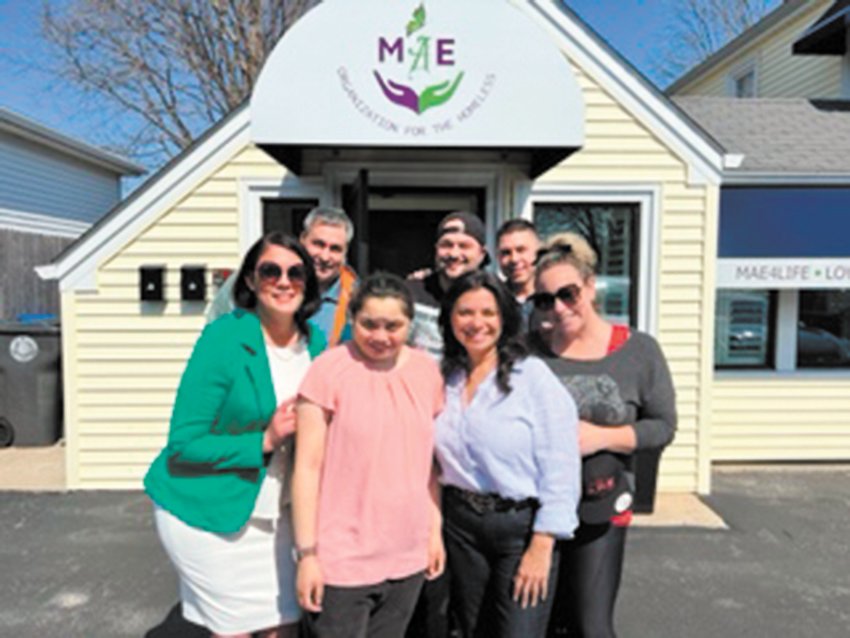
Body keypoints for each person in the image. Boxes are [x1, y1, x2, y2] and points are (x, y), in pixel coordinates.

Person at [144, 232, 327, 638]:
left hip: (279, 516)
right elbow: (185, 443)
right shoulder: (225, 338)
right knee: (234, 631)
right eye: (270, 271)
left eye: (296, 272)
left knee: (283, 627)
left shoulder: (316, 343)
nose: (284, 281)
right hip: (208, 514)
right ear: (249, 280)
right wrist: (264, 440)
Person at [529, 233, 677, 638]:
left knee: (590, 625)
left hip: (601, 505)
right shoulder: (527, 351)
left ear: (590, 287)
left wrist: (601, 437)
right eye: (546, 299)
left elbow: (662, 426)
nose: (559, 308)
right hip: (534, 508)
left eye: (568, 294)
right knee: (536, 622)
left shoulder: (638, 350)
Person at [292, 272, 446, 638]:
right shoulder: (328, 370)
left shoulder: (427, 371)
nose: (380, 336)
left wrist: (433, 532)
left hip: (406, 555)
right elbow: (307, 468)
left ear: (411, 323)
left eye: (393, 325)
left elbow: (429, 466)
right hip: (341, 559)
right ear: (351, 319)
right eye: (369, 324)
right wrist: (308, 554)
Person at [434, 271, 581, 638]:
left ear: (504, 318)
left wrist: (543, 544)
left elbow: (561, 465)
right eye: (465, 313)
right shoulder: (444, 379)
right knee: (472, 630)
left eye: (488, 312)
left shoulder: (531, 377)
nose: (477, 323)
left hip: (519, 529)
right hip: (461, 526)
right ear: (450, 319)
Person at [207, 206, 357, 347]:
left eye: (335, 249)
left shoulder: (357, 297)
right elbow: (215, 335)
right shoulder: (255, 279)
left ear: (346, 252)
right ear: (303, 239)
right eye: (318, 244)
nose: (325, 257)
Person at [407, 211, 489, 360]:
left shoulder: (492, 298)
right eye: (447, 245)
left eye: (464, 246)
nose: (454, 254)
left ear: (481, 253)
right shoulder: (409, 293)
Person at [495, 219, 540, 323]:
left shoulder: (553, 300)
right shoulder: (493, 301)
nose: (514, 259)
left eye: (521, 250)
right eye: (506, 253)